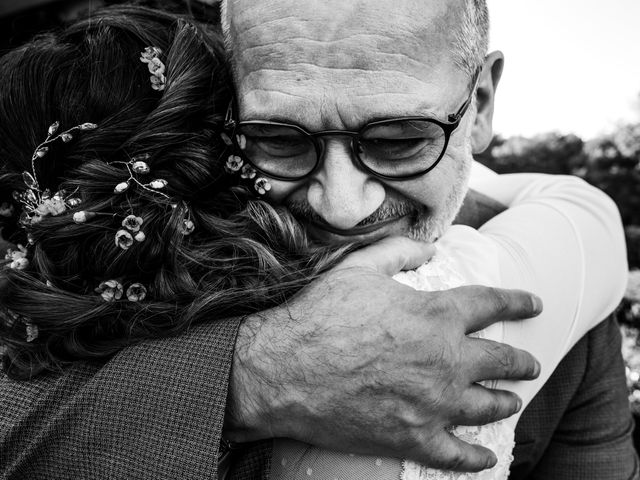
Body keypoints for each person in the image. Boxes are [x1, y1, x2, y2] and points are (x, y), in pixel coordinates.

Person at [0, 3, 634, 479]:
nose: (343, 205)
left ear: (483, 103)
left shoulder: (564, 309)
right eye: (280, 140)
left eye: (399, 141)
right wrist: (251, 376)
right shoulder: (131, 260)